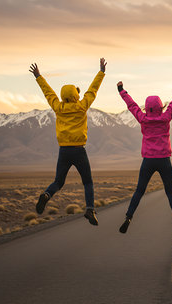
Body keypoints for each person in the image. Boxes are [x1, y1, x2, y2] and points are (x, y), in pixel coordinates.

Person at [29, 58, 107, 226]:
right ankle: (90, 209)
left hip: (64, 151)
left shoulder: (58, 107)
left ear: (63, 96)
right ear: (75, 95)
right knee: (87, 181)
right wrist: (101, 72)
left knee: (58, 181)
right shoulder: (82, 106)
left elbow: (48, 93)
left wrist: (38, 77)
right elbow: (93, 90)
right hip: (79, 151)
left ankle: (46, 195)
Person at [116, 75, 172, 235]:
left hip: (148, 160)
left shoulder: (143, 118)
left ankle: (128, 217)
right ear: (161, 107)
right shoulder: (166, 117)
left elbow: (132, 105)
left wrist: (122, 91)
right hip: (164, 160)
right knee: (170, 191)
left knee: (139, 191)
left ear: (147, 108)